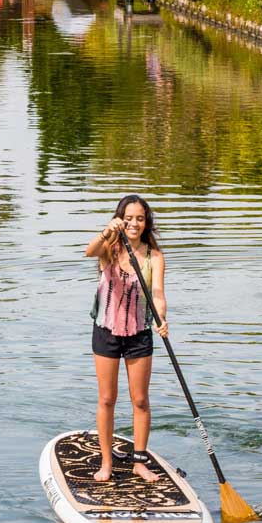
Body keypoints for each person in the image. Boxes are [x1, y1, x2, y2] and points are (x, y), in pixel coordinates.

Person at [85, 195, 168, 484]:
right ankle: (106, 463)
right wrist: (109, 230)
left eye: (140, 219)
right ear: (121, 219)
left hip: (139, 335)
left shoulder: (154, 257)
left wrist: (161, 318)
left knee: (141, 400)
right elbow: (89, 251)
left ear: (147, 223)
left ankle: (139, 463)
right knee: (107, 398)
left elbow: (157, 293)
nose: (134, 223)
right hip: (106, 331)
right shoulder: (110, 248)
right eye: (129, 218)